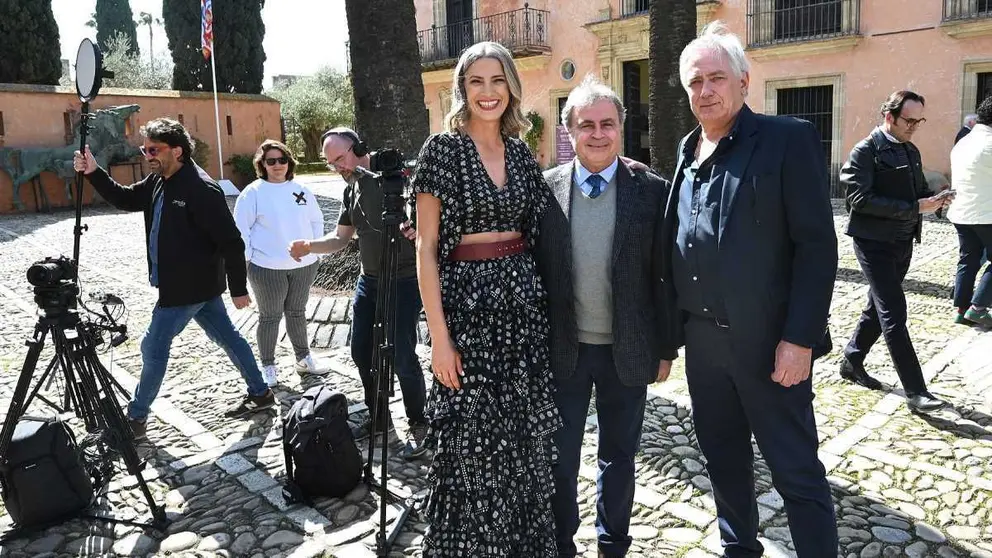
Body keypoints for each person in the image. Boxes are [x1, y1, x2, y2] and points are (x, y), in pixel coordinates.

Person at [657, 22, 839, 557]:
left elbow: (816, 248)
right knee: (722, 460)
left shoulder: (787, 139)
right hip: (704, 348)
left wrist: (800, 339)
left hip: (768, 345)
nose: (705, 91)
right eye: (695, 82)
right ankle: (739, 549)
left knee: (795, 469)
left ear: (743, 81)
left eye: (717, 78)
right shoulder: (687, 153)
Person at [412, 41, 560, 556]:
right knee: (469, 449)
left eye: (498, 81)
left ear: (511, 87)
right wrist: (438, 340)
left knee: (522, 446)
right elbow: (426, 250)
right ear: (462, 89)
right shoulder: (442, 151)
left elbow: (545, 223)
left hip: (522, 318)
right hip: (466, 316)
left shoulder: (521, 152)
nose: (488, 92)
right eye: (477, 81)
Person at [534, 74, 671, 558]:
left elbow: (665, 275)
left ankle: (613, 542)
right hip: (564, 352)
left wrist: (666, 347)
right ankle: (560, 543)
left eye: (607, 124)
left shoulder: (652, 191)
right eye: (586, 124)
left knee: (619, 456)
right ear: (569, 130)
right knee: (561, 457)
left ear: (622, 127)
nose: (597, 133)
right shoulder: (544, 190)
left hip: (627, 350)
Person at [73, 118, 275, 441]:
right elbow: (125, 198)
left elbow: (232, 242)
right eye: (145, 148)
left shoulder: (201, 190)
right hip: (196, 287)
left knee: (153, 346)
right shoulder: (157, 181)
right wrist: (94, 171)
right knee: (228, 338)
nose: (147, 155)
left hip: (186, 289)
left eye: (153, 150)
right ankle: (261, 392)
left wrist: (238, 288)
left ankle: (136, 419)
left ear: (177, 151)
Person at [289, 127, 427, 460]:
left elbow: (431, 228)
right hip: (370, 282)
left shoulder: (398, 179)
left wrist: (416, 232)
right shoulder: (351, 192)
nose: (337, 168)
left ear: (359, 148)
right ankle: (378, 415)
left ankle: (419, 422)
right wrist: (310, 246)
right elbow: (340, 238)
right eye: (330, 163)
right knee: (361, 350)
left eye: (340, 159)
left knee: (403, 354)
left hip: (406, 280)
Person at [839, 90, 952, 412]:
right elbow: (858, 200)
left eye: (920, 121)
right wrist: (913, 207)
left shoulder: (910, 150)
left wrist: (937, 198)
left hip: (903, 240)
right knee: (893, 313)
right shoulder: (866, 151)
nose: (914, 126)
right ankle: (916, 391)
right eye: (909, 120)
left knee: (877, 308)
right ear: (889, 116)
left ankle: (852, 359)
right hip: (873, 243)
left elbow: (916, 192)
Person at [234, 139, 325, 387]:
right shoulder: (253, 193)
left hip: (303, 267)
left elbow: (317, 221)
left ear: (289, 162)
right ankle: (268, 365)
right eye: (271, 161)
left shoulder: (301, 190)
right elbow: (240, 231)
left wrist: (315, 251)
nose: (277, 165)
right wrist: (251, 258)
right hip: (267, 269)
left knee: (297, 312)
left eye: (282, 160)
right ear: (262, 164)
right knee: (270, 317)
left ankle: (303, 358)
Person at [949, 96, 992, 327]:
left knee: (968, 260)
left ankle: (961, 308)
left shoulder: (963, 142)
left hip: (961, 212)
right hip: (987, 213)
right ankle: (979, 308)